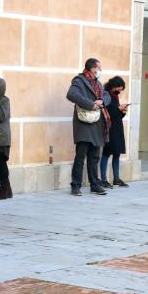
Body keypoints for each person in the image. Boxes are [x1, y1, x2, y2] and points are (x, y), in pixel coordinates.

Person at [66, 58, 109, 196]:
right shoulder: (79, 80)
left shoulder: (98, 83)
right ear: (92, 68)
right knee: (81, 155)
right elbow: (71, 95)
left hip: (96, 123)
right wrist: (91, 104)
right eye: (99, 68)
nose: (101, 71)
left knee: (94, 156)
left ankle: (95, 184)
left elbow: (107, 96)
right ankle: (75, 186)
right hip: (83, 122)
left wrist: (101, 101)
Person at [100, 76, 129, 188]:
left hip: (117, 128)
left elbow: (117, 115)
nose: (120, 91)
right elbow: (107, 114)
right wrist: (118, 109)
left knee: (117, 153)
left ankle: (116, 178)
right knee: (106, 153)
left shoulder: (115, 96)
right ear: (114, 86)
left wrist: (123, 111)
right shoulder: (107, 96)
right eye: (119, 88)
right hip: (109, 128)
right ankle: (103, 179)